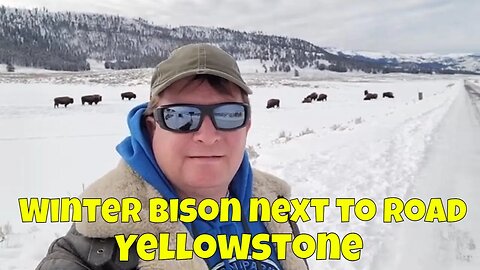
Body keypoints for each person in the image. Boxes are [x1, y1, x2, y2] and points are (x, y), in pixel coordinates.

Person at [36, 43, 309, 270]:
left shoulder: (277, 211)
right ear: (152, 126)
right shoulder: (94, 247)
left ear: (247, 126)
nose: (207, 135)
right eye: (181, 116)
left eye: (228, 115)